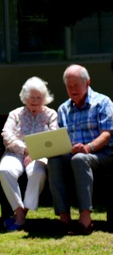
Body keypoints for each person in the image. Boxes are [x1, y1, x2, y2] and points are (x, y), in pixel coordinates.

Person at [48, 64, 113, 236]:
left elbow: (106, 135)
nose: (72, 89)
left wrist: (88, 148)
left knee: (79, 159)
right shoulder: (63, 109)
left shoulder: (102, 102)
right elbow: (60, 137)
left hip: (101, 154)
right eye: (69, 86)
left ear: (87, 82)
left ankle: (85, 220)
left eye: (76, 85)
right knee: (54, 161)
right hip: (73, 154)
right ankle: (64, 219)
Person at [0, 76, 57, 231]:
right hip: (15, 153)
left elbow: (53, 137)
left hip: (39, 156)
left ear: (44, 98)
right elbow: (6, 134)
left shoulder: (51, 115)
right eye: (31, 97)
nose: (35, 101)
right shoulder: (15, 114)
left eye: (39, 97)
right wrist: (25, 149)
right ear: (24, 97)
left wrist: (36, 152)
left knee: (38, 172)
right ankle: (19, 213)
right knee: (4, 170)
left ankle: (22, 214)